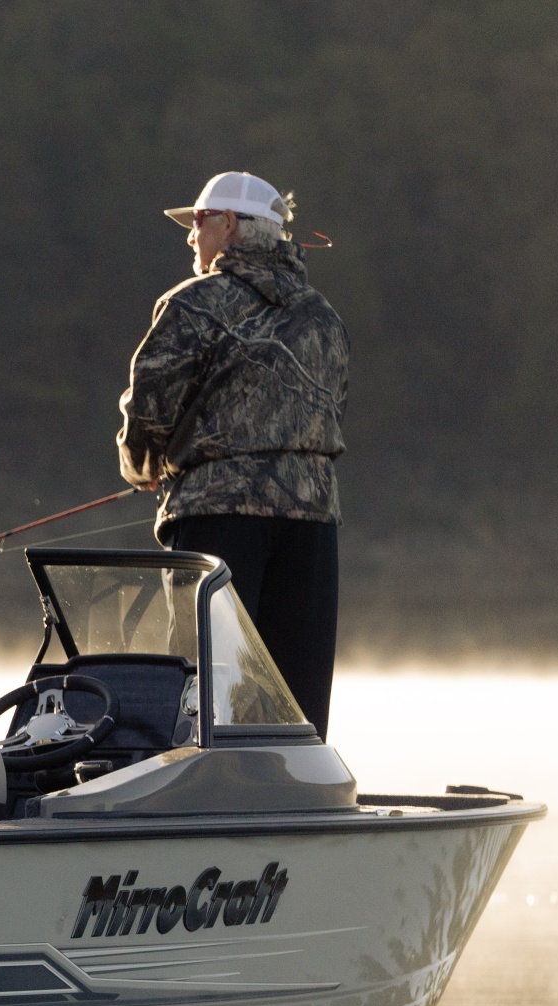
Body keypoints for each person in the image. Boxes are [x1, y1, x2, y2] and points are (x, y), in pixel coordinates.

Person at [117, 171, 349, 739]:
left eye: (198, 221)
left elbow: (149, 407)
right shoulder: (324, 317)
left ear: (229, 225)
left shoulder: (193, 303)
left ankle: (200, 789)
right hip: (312, 527)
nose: (190, 235)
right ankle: (293, 788)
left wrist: (143, 468)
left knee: (205, 692)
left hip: (217, 522)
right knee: (295, 704)